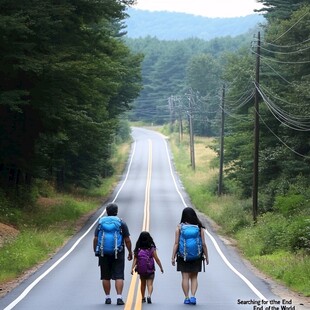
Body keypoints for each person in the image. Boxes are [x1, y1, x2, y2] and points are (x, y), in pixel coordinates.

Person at [93, 203, 133, 306]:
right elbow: (127, 240)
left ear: (106, 211)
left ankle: (107, 297)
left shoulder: (101, 223)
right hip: (118, 252)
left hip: (103, 252)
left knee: (105, 276)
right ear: (116, 211)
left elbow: (96, 238)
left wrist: (96, 250)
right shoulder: (121, 223)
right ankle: (119, 297)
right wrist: (130, 252)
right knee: (119, 275)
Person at [171, 207, 209, 305]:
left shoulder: (179, 228)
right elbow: (204, 244)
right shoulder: (199, 228)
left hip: (183, 256)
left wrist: (173, 257)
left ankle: (186, 298)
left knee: (185, 277)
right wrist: (207, 257)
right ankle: (193, 296)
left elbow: (176, 243)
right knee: (194, 277)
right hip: (197, 256)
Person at [131, 231, 164, 304]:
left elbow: (135, 259)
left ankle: (143, 297)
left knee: (143, 284)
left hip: (141, 269)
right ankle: (149, 295)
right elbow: (157, 259)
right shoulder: (151, 248)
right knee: (150, 284)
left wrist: (132, 268)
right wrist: (161, 267)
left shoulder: (138, 248)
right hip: (150, 269)